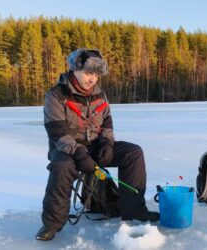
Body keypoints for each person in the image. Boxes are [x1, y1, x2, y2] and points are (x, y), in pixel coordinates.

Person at [36, 48, 159, 241]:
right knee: (61, 167)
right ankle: (52, 224)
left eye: (95, 74)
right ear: (74, 69)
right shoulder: (56, 95)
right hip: (66, 149)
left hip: (96, 145)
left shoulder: (99, 94)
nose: (92, 79)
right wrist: (79, 154)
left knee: (133, 153)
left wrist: (108, 144)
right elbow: (56, 132)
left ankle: (134, 209)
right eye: (87, 73)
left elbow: (107, 122)